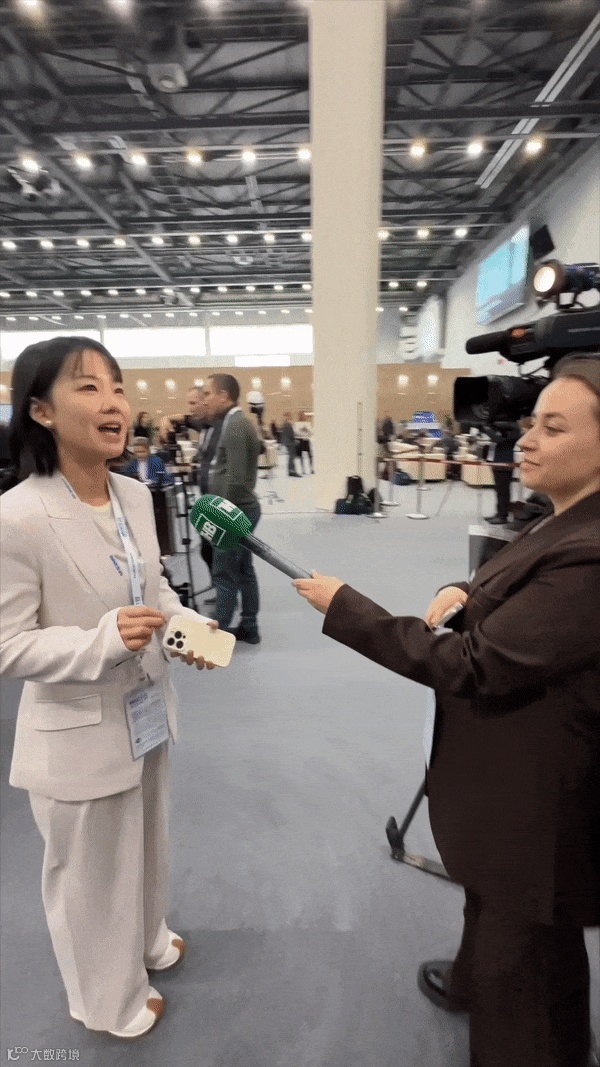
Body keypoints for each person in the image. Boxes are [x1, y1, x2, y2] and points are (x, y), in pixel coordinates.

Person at [293, 357, 600, 1067]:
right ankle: (485, 987)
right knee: (514, 926)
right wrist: (462, 589)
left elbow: (475, 664)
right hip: (510, 785)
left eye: (554, 428)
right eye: (532, 422)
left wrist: (349, 609)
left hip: (540, 803)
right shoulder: (561, 520)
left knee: (522, 960)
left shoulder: (592, 555)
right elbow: (517, 585)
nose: (528, 439)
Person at [0, 336, 220, 1040]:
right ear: (40, 410)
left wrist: (187, 630)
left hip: (145, 709)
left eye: (118, 387)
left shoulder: (134, 494)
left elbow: (152, 591)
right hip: (77, 726)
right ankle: (107, 1001)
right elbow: (8, 645)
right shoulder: (17, 516)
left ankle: (148, 938)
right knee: (90, 877)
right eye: (89, 387)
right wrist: (102, 640)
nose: (114, 403)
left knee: (146, 842)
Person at [203, 373, 262, 643]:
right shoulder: (235, 423)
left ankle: (218, 634)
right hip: (240, 509)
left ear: (224, 396)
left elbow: (236, 481)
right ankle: (249, 625)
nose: (205, 400)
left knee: (224, 573)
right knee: (244, 570)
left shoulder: (236, 426)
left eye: (208, 394)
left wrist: (221, 515)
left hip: (235, 510)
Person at [484, 419, 522, 524]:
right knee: (499, 491)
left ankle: (503, 516)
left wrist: (487, 428)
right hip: (498, 464)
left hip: (504, 466)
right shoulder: (506, 432)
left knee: (503, 492)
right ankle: (499, 513)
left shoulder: (515, 432)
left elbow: (497, 439)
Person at [279, 411, 301, 476]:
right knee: (292, 457)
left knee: (290, 457)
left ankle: (290, 471)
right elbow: (290, 434)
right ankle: (292, 471)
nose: (290, 416)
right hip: (290, 443)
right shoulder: (287, 424)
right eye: (289, 415)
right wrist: (295, 441)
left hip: (288, 442)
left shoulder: (284, 424)